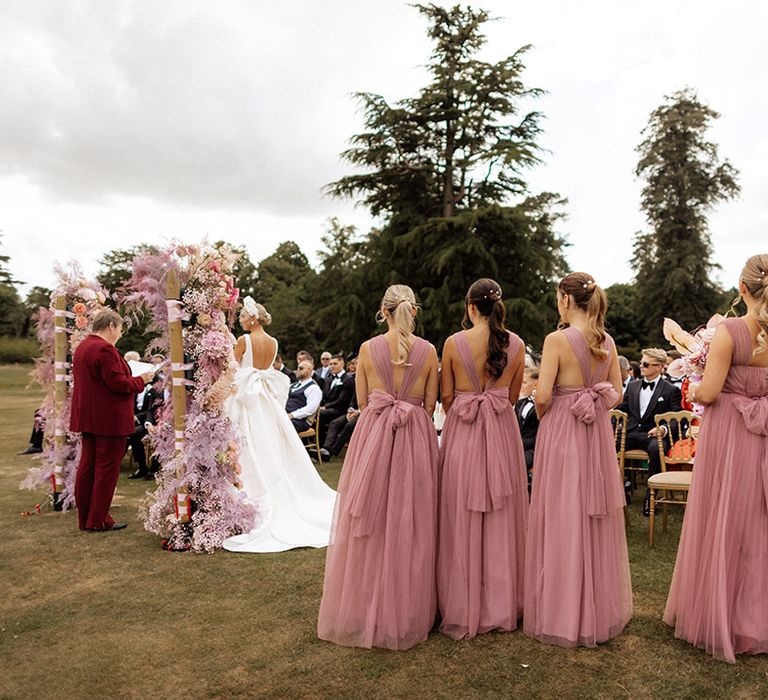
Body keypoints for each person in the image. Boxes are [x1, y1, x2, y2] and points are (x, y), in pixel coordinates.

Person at [318, 284, 440, 650]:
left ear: (383, 311)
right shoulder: (429, 351)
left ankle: (364, 605)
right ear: (412, 312)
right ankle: (409, 608)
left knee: (368, 520)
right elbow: (430, 405)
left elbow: (362, 400)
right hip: (416, 435)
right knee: (412, 519)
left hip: (374, 435)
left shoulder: (368, 349)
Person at [664, 253, 768, 663]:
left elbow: (707, 394)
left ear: (742, 289)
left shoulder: (728, 332)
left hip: (731, 437)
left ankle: (721, 615)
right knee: (759, 521)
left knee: (726, 519)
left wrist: (698, 364)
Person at [524, 272, 632, 647]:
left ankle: (562, 609)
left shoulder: (556, 339)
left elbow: (541, 395)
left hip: (563, 432)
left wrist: (553, 409)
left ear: (566, 300)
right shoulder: (607, 341)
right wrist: (592, 398)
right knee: (592, 511)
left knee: (562, 511)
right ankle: (597, 608)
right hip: (595, 434)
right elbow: (617, 392)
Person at [437, 278, 528, 640]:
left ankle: (462, 604)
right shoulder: (517, 344)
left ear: (471, 307)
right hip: (502, 434)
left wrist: (467, 405)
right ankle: (502, 605)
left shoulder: (452, 343)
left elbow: (446, 397)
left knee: (462, 516)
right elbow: (513, 396)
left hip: (463, 432)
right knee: (502, 520)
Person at [222, 297, 336, 553]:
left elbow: (230, 368)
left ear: (253, 318)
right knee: (269, 439)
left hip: (246, 397)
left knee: (247, 440)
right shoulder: (273, 343)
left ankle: (252, 491)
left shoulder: (243, 341)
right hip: (264, 398)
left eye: (242, 316)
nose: (240, 320)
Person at [70, 309, 154, 531]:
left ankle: (86, 518)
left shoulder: (83, 347)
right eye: (120, 329)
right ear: (111, 326)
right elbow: (118, 384)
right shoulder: (105, 349)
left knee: (87, 466)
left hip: (88, 416)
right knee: (106, 469)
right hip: (108, 418)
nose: (120, 334)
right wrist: (142, 380)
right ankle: (98, 520)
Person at [616, 347, 682, 515]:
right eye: (641, 363)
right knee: (605, 445)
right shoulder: (633, 386)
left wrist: (663, 429)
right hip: (631, 433)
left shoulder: (670, 390)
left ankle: (650, 497)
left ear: (659, 367)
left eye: (645, 364)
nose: (641, 367)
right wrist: (610, 424)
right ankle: (621, 486)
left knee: (655, 449)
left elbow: (675, 418)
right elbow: (622, 410)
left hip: (653, 435)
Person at [317, 354, 355, 443]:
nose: (332, 366)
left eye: (335, 364)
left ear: (342, 364)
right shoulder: (328, 379)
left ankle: (323, 445)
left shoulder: (348, 380)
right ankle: (319, 444)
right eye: (331, 364)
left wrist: (325, 407)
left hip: (340, 409)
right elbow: (323, 395)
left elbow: (342, 400)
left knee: (321, 414)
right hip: (328, 408)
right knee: (316, 413)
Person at [515, 367, 540, 477]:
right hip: (517, 447)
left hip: (534, 449)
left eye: (524, 382)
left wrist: (522, 444)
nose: (521, 385)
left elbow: (540, 433)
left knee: (514, 464)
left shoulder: (541, 406)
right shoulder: (520, 403)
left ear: (535, 385)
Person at [286, 359, 323, 433]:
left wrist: (292, 415)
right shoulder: (292, 385)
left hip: (300, 421)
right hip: (286, 416)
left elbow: (310, 409)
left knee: (277, 425)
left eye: (301, 368)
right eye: (297, 368)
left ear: (309, 370)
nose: (298, 370)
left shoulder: (313, 388)